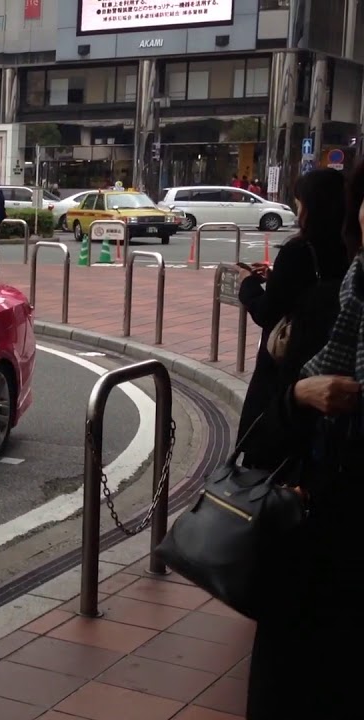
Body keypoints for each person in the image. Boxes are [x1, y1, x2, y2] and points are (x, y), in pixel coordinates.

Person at [244, 158, 364, 720]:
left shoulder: (302, 262)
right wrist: (299, 398)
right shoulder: (336, 304)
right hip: (313, 556)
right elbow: (272, 437)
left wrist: (251, 292)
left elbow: (268, 311)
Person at [236, 169, 351, 470]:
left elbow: (265, 312)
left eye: (300, 202)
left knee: (268, 458)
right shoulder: (349, 249)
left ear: (311, 206)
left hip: (292, 366)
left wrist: (248, 283)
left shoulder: (298, 250)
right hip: (335, 360)